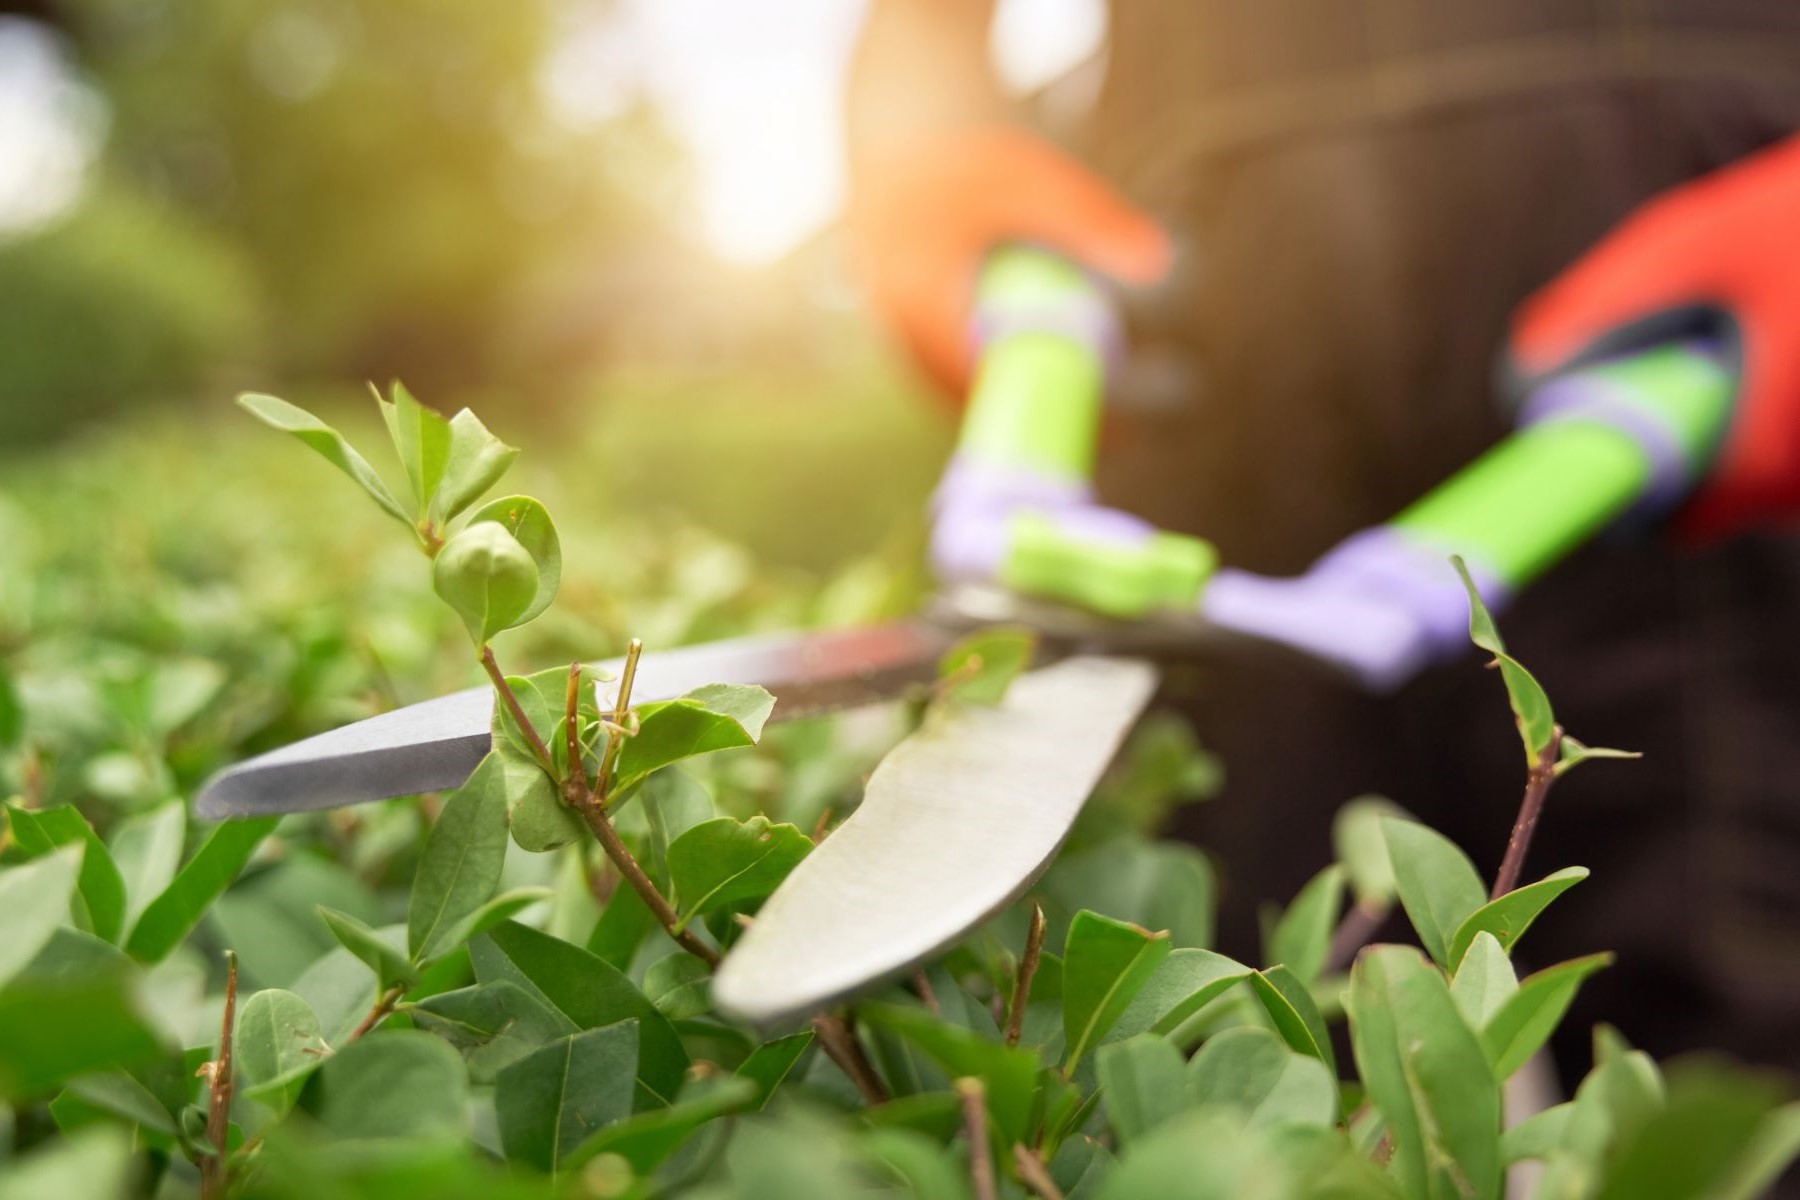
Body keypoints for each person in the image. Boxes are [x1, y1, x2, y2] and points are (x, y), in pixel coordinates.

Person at [845, 0, 1800, 1113]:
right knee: (1211, 1071)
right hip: (1212, 298)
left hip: (1696, 221)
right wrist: (926, 129)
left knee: (1744, 1104)